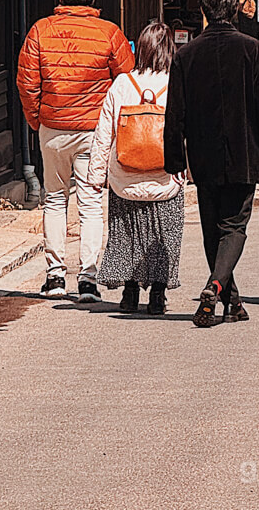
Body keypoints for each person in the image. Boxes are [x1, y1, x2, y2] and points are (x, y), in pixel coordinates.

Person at [163, 0, 259, 328]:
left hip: (202, 155)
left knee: (210, 229)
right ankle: (217, 286)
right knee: (234, 227)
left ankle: (231, 301)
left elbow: (175, 114)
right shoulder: (253, 51)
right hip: (244, 152)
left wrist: (174, 159)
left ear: (203, 10)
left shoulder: (186, 55)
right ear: (234, 9)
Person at [17, 0, 134, 301]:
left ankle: (55, 276)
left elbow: (27, 82)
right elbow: (125, 80)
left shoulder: (40, 30)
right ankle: (88, 279)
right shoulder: (109, 33)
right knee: (91, 202)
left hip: (53, 126)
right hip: (94, 130)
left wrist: (37, 119)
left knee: (54, 199)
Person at [88, 21, 183, 316]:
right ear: (170, 50)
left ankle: (129, 293)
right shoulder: (176, 84)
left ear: (139, 50)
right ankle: (157, 294)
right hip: (164, 177)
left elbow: (104, 133)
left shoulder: (122, 84)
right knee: (164, 235)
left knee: (124, 233)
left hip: (124, 177)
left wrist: (96, 174)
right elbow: (187, 131)